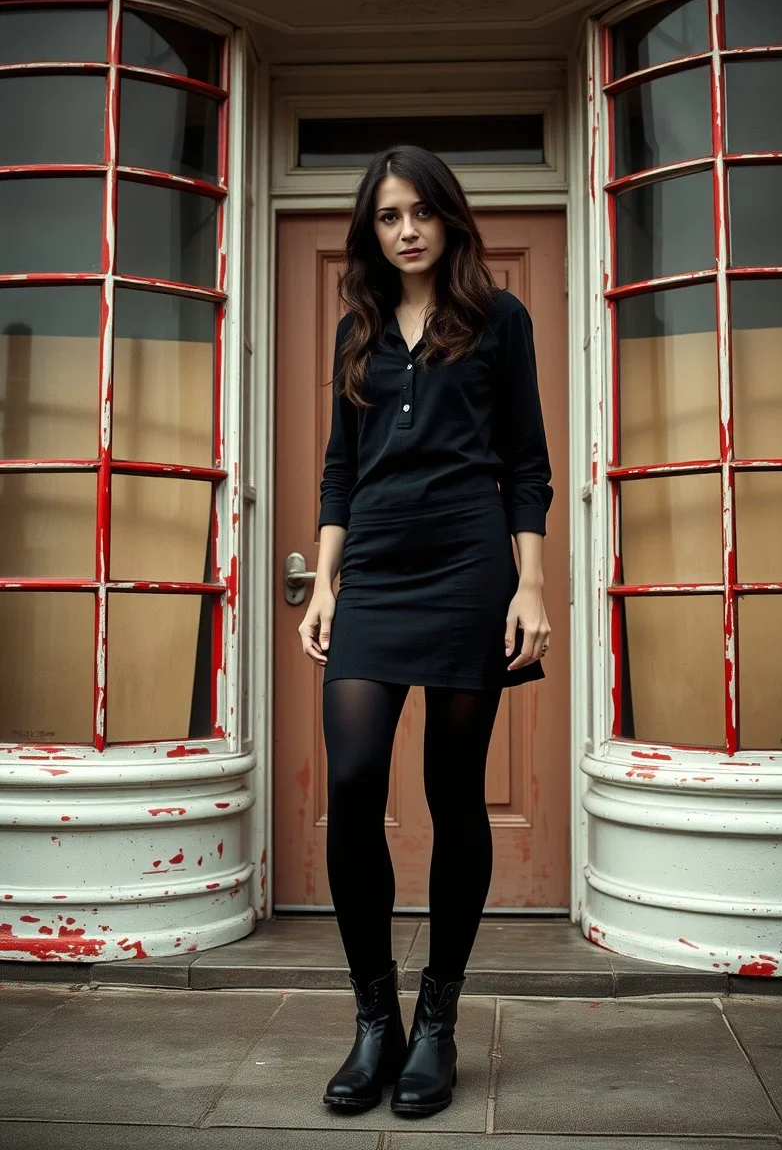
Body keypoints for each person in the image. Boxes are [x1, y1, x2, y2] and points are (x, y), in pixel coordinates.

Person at [298, 144, 553, 1119]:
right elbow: (338, 468)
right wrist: (324, 583)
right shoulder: (355, 329)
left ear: (448, 219)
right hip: (374, 575)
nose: (404, 230)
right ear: (373, 230)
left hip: (465, 568)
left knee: (454, 795)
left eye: (420, 212)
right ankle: (374, 1021)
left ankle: (437, 1022)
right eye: (387, 216)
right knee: (356, 784)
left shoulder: (498, 319)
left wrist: (529, 587)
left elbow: (526, 463)